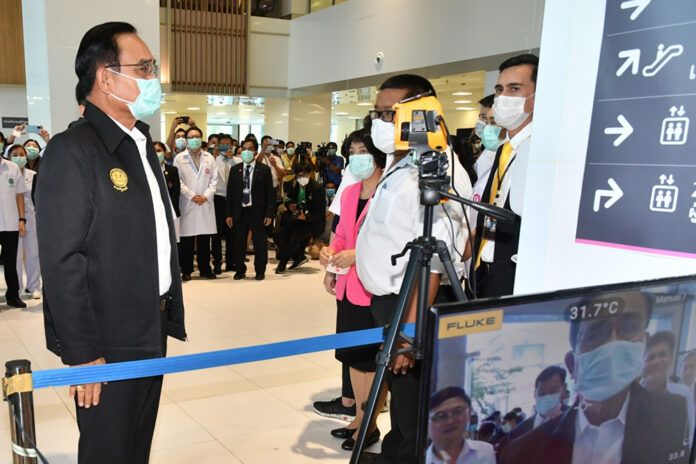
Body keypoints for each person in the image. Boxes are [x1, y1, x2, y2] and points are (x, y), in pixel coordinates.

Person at [36, 22, 185, 463]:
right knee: (108, 451)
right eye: (143, 67)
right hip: (107, 338)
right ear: (104, 77)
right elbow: (63, 261)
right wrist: (83, 355)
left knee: (136, 447)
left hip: (149, 324)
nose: (152, 77)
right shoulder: (72, 150)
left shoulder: (138, 145)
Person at [356, 74, 470, 464]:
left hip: (411, 305)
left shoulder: (436, 170)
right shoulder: (402, 161)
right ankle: (395, 453)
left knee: (413, 404)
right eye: (378, 113)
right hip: (388, 301)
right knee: (402, 401)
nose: (380, 122)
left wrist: (409, 332)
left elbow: (434, 262)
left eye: (391, 114)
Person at [501, 291, 690, 464]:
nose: (614, 344)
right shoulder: (525, 450)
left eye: (628, 328)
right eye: (595, 335)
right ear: (572, 364)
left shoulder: (674, 415)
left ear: (644, 344)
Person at [320, 129, 387, 451]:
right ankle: (359, 417)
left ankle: (370, 423)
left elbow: (393, 243)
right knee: (354, 358)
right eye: (353, 151)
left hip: (375, 286)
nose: (357, 157)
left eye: (364, 150)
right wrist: (331, 261)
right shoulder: (350, 193)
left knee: (373, 361)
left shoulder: (391, 192)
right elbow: (342, 234)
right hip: (349, 285)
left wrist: (358, 255)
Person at [473, 54, 537, 298]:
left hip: (515, 276)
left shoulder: (541, 152)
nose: (503, 98)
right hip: (485, 271)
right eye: (500, 89)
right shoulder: (503, 149)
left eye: (514, 89)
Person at [225, 139, 275, 281]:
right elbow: (230, 194)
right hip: (239, 212)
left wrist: (269, 214)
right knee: (239, 242)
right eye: (244, 149)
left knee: (259, 243)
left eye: (250, 148)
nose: (247, 151)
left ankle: (260, 270)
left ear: (255, 151)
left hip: (257, 212)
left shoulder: (264, 170)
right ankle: (240, 269)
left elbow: (270, 194)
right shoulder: (235, 170)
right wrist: (228, 214)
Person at [174, 126, 218, 281]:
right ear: (186, 140)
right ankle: (187, 269)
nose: (194, 139)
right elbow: (177, 181)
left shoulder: (209, 158)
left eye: (197, 136)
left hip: (205, 203)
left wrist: (206, 196)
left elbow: (214, 179)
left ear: (201, 138)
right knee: (186, 238)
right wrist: (191, 195)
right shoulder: (179, 158)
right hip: (188, 202)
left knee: (204, 239)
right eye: (191, 137)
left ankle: (205, 269)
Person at [642, 331, 695, 440]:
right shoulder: (632, 393)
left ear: (671, 359)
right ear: (643, 361)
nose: (657, 361)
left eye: (662, 355)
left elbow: (689, 433)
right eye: (651, 357)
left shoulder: (683, 393)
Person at [275, 161, 326, 273]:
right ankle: (298, 256)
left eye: (304, 175)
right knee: (279, 234)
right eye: (299, 175)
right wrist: (290, 206)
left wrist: (307, 217)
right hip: (298, 219)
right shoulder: (295, 185)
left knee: (295, 237)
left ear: (309, 174)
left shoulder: (317, 188)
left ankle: (282, 264)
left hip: (313, 221)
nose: (301, 178)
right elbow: (290, 199)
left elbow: (321, 211)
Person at [427, 387, 496, 464]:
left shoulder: (485, 452)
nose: (450, 421)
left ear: (469, 413)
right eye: (440, 415)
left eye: (457, 411)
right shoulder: (422, 460)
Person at [507, 365, 569, 445]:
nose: (547, 397)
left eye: (553, 391)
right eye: (542, 393)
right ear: (535, 394)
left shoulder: (573, 421)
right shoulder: (519, 432)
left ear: (563, 389)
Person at [8, 145, 40, 299]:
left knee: (33, 254)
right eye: (15, 154)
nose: (19, 157)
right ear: (9, 156)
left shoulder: (33, 175)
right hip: (12, 220)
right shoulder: (7, 173)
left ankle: (34, 287)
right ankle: (18, 288)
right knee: (16, 257)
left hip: (32, 219)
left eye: (21, 154)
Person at [212, 134, 236, 272]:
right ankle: (217, 263)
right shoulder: (213, 160)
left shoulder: (236, 160)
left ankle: (231, 261)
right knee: (217, 234)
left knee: (232, 233)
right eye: (223, 144)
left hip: (232, 200)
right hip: (218, 199)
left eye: (229, 144)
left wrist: (231, 158)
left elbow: (238, 171)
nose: (226, 147)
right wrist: (214, 156)